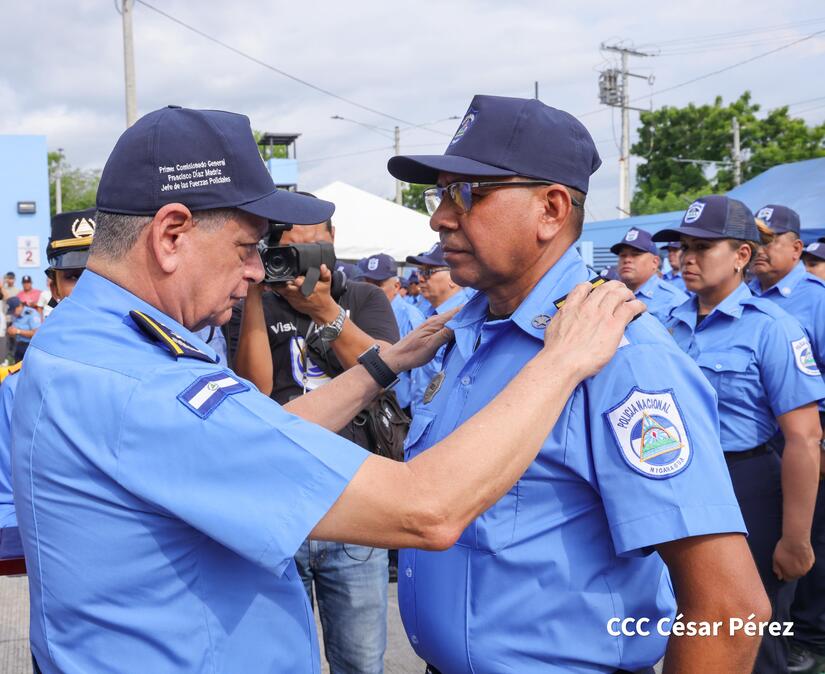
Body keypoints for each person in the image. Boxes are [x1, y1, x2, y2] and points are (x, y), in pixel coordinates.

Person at [12, 105, 643, 674]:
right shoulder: (143, 385)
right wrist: (561, 362)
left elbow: (260, 438)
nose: (257, 271)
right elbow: (427, 509)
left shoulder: (87, 341)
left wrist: (380, 367)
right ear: (171, 234)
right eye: (247, 247)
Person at [387, 94, 767, 673]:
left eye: (465, 193)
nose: (440, 217)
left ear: (551, 209)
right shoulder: (469, 331)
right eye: (438, 195)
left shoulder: (618, 354)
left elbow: (729, 607)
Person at [653, 195, 825, 674]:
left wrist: (796, 539)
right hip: (679, 482)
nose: (687, 258)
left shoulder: (773, 329)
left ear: (741, 255)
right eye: (684, 247)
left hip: (746, 485)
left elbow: (803, 438)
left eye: (703, 247)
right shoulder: (666, 324)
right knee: (685, 620)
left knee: (752, 631)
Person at [229, 216, 400, 674]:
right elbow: (256, 388)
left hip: (354, 511)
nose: (303, 260)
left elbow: (384, 373)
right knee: (280, 661)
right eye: (292, 249)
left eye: (314, 246)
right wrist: (254, 294)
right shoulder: (250, 304)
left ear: (333, 241)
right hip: (280, 509)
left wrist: (325, 309)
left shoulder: (362, 297)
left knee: (361, 662)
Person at [748, 206, 825, 674]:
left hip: (807, 441)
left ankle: (808, 639)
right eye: (756, 241)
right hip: (760, 449)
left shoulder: (816, 300)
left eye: (771, 240)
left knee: (806, 542)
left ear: (797, 248)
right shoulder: (749, 296)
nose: (761, 250)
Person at [0, 208, 97, 540]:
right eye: (74, 277)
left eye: (97, 275)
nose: (89, 289)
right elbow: (7, 501)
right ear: (53, 287)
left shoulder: (164, 365)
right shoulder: (18, 387)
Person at [356, 252, 425, 411]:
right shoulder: (363, 311)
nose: (370, 289)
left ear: (396, 286)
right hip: (366, 404)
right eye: (367, 283)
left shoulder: (410, 316)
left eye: (378, 284)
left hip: (399, 408)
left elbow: (421, 372)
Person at [610, 227, 688, 323]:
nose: (627, 260)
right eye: (623, 255)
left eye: (635, 254)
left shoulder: (673, 300)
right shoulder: (612, 294)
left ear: (655, 262)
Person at [5, 297, 41, 362]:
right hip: (18, 345)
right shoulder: (15, 314)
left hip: (29, 346)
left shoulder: (32, 313)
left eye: (13, 310)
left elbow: (36, 333)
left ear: (19, 306)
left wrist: (18, 331)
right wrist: (10, 331)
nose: (13, 313)